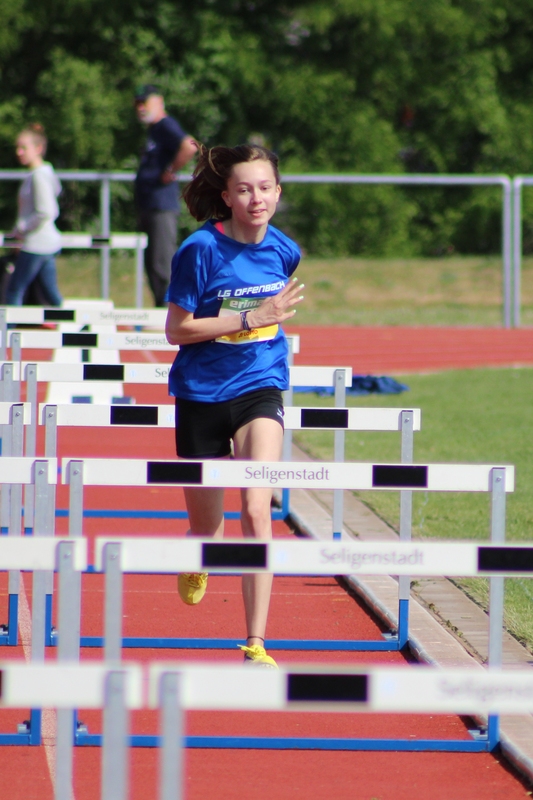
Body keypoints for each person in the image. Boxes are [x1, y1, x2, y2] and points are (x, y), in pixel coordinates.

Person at [165, 144, 303, 668]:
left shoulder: (285, 251)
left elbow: (270, 319)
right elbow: (177, 330)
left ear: (278, 193)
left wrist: (262, 323)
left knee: (256, 508)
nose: (256, 198)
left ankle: (256, 642)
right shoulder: (199, 250)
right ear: (226, 196)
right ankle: (198, 552)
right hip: (201, 393)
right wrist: (251, 317)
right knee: (210, 529)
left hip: (259, 386)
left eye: (265, 188)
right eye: (244, 189)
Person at [134, 84, 197, 306]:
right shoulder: (153, 129)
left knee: (162, 263)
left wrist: (171, 170)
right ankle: (161, 309)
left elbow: (189, 146)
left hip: (161, 206)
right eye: (137, 104)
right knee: (152, 263)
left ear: (159, 101)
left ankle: (171, 311)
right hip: (150, 204)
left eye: (144, 102)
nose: (140, 108)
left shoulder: (165, 125)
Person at [7, 123, 63, 306]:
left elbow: (46, 211)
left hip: (36, 244)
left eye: (24, 147)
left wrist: (21, 229)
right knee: (51, 295)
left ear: (38, 148)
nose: (19, 152)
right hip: (45, 243)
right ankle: (77, 323)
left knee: (14, 290)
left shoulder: (39, 175)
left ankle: (9, 326)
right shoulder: (41, 173)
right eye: (17, 147)